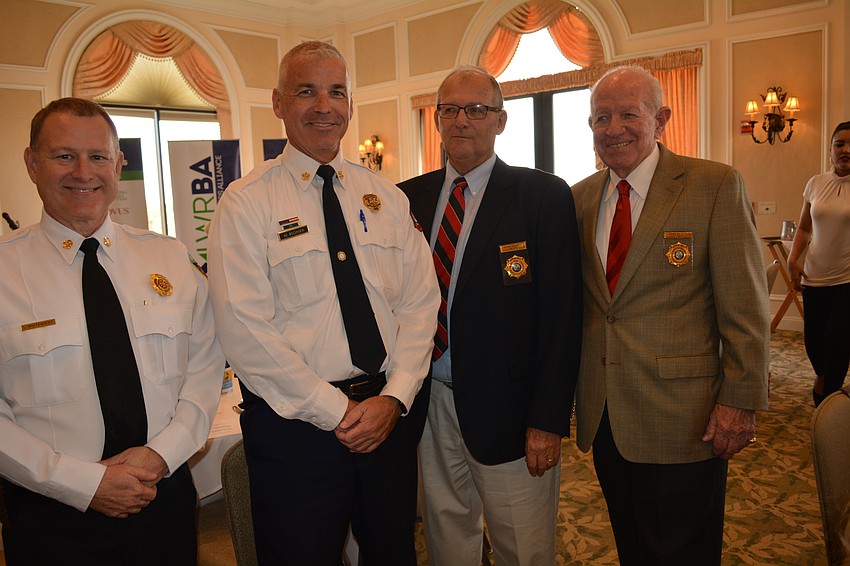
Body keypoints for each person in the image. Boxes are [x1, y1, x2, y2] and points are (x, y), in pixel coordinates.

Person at [207, 41, 439, 565]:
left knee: (392, 554)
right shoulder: (245, 203)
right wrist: (336, 412)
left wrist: (396, 397)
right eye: (306, 91)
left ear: (350, 104)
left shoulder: (386, 197)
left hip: (386, 420)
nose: (323, 106)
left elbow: (421, 306)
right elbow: (246, 331)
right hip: (296, 433)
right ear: (278, 102)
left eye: (336, 92)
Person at [0, 97, 224, 564]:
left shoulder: (169, 258)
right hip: (52, 514)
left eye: (98, 156)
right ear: (31, 163)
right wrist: (82, 483)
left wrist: (161, 456)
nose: (84, 172)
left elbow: (203, 375)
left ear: (119, 164)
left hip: (163, 499)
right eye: (64, 155)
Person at [570, 66, 770, 565]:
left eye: (628, 115)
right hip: (607, 413)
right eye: (601, 117)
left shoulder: (713, 185)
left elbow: (744, 308)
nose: (613, 128)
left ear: (661, 119)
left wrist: (740, 402)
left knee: (684, 551)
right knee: (632, 545)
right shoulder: (578, 198)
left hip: (685, 418)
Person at [398, 66, 583, 565]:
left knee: (521, 548)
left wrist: (547, 419)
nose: (463, 120)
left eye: (477, 110)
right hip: (428, 405)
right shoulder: (405, 198)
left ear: (500, 121)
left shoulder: (542, 196)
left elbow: (562, 318)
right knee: (446, 541)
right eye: (450, 110)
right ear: (437, 119)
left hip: (512, 413)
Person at [787, 121, 850, 406]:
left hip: (847, 279)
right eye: (840, 144)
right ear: (831, 149)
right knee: (814, 341)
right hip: (815, 276)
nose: (846, 150)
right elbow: (803, 228)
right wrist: (792, 258)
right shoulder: (815, 183)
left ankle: (829, 403)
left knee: (838, 340)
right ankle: (825, 381)